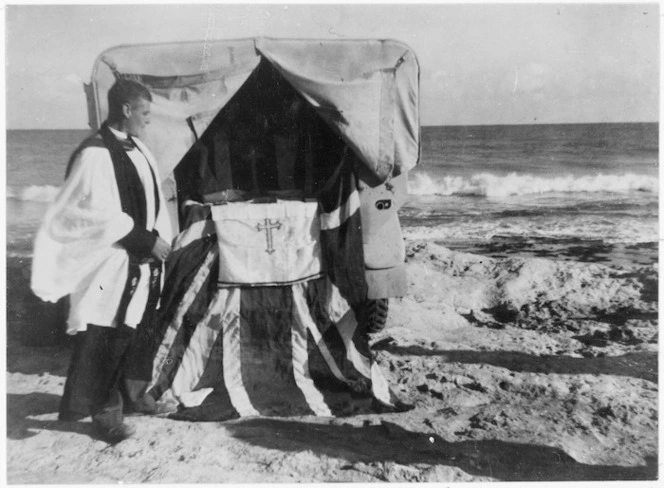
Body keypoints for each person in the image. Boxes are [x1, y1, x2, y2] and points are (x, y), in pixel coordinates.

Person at [31, 79, 172, 443]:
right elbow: (90, 212)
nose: (148, 121)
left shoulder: (138, 147)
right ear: (125, 110)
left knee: (135, 330)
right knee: (104, 334)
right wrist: (145, 240)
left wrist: (159, 241)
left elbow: (151, 198)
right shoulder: (94, 153)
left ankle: (135, 396)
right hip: (109, 261)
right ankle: (105, 415)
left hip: (139, 261)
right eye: (144, 113)